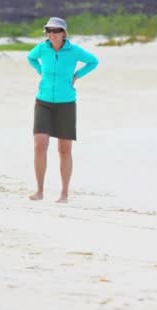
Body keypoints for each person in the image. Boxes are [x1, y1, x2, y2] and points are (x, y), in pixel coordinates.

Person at [27, 17, 98, 203]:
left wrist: (77, 75)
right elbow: (31, 58)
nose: (51, 34)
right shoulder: (42, 48)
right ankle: (39, 190)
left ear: (64, 33)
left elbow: (93, 61)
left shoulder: (73, 51)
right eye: (49, 31)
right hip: (43, 101)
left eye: (56, 31)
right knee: (39, 145)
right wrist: (40, 70)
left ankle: (64, 193)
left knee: (64, 149)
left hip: (66, 102)